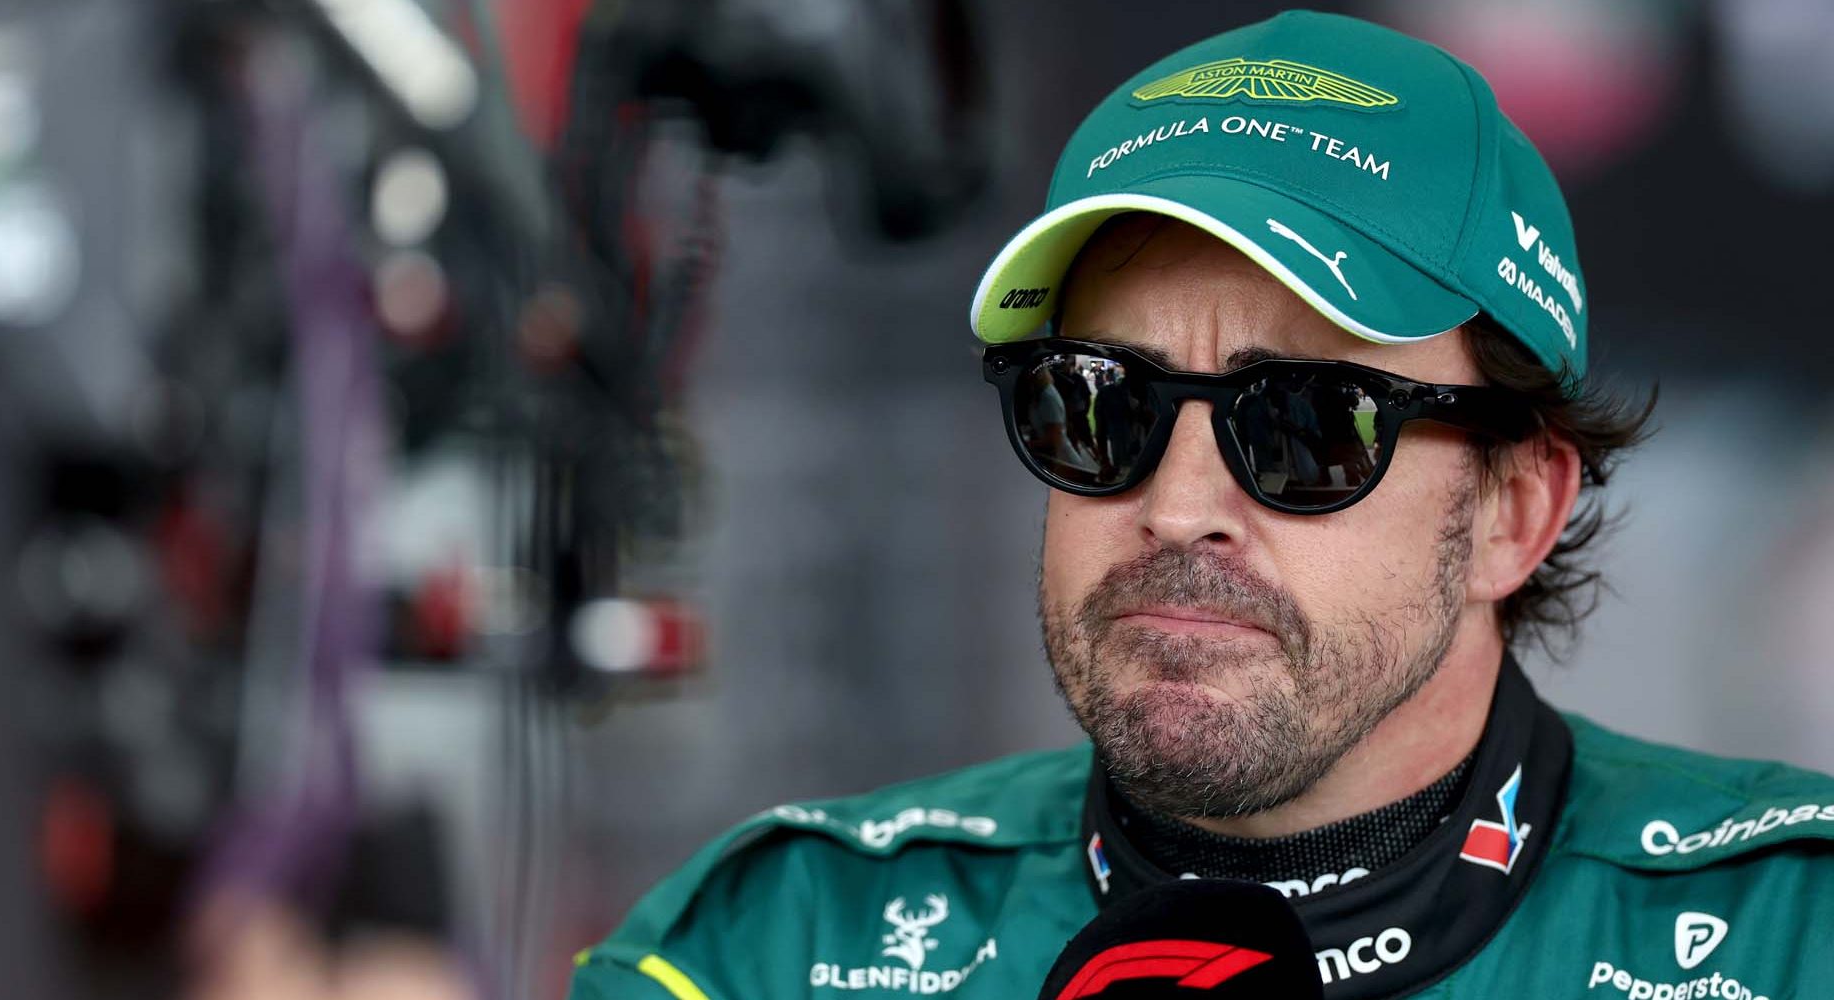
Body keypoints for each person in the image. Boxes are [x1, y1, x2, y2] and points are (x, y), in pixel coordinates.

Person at [570, 11, 1834, 999]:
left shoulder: (1794, 941)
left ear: (1515, 509)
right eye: (1097, 403)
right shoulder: (775, 950)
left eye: (1304, 424)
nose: (1177, 507)